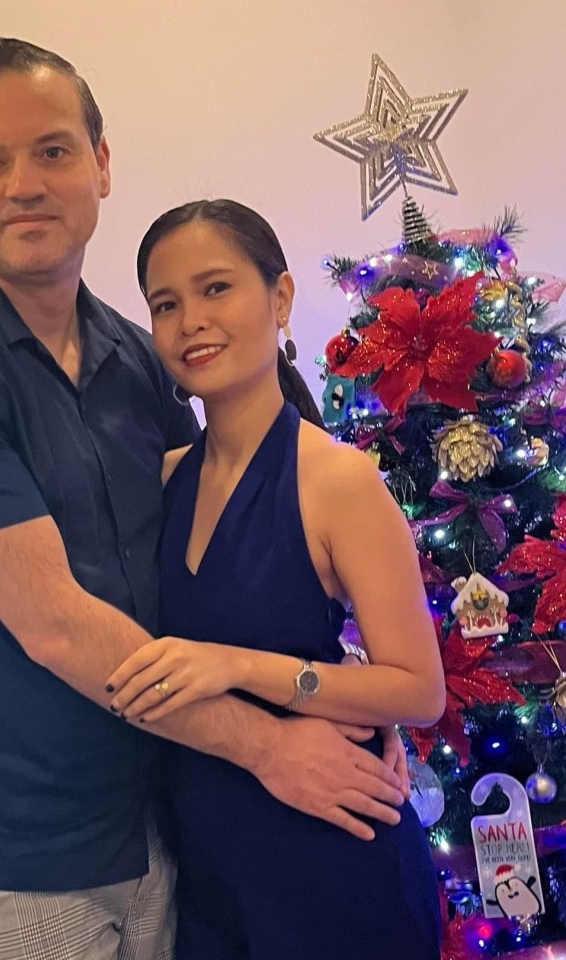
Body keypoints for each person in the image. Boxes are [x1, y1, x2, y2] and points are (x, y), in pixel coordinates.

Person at [0, 39, 409, 960]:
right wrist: (275, 746)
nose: (24, 184)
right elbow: (57, 626)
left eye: (51, 149)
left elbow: (221, 562)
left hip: (170, 812)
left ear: (101, 165)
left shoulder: (135, 360)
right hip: (17, 847)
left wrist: (345, 699)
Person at [106, 198, 446, 960]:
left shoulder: (337, 480)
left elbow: (420, 691)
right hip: (208, 876)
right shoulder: (161, 481)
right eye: (167, 304)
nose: (191, 319)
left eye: (216, 288)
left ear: (281, 298)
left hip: (333, 866)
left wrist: (233, 666)